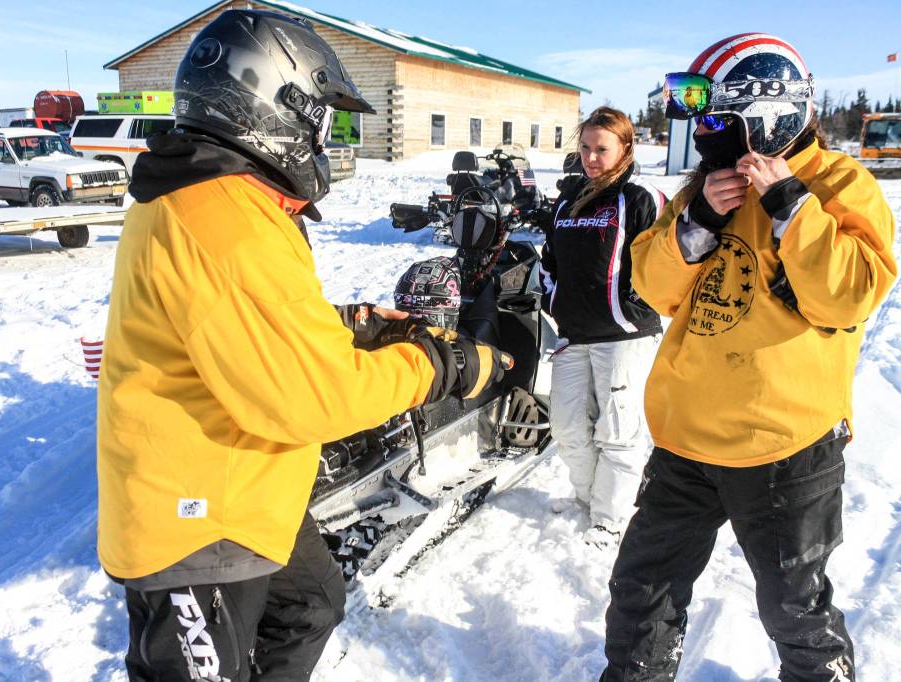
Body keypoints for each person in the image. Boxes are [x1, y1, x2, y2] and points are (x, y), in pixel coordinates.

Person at [95, 10, 509, 682]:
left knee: (311, 604)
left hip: (251, 489)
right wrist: (439, 364)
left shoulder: (211, 193)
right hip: (199, 516)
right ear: (276, 103)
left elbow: (233, 318)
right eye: (320, 115)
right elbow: (314, 399)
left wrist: (349, 325)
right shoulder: (223, 215)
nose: (323, 133)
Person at [601, 34, 897, 681]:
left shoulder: (838, 183)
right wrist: (696, 221)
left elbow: (849, 293)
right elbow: (653, 287)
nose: (704, 135)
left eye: (717, 121)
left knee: (795, 611)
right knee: (641, 593)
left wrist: (791, 205)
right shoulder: (707, 185)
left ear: (768, 117)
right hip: (687, 442)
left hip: (784, 449)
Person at [538, 106, 665, 545]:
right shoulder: (568, 199)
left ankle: (609, 519)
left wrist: (631, 305)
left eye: (603, 149)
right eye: (587, 147)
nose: (593, 157)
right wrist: (555, 299)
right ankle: (587, 499)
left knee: (617, 431)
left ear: (626, 149)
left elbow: (664, 263)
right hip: (574, 333)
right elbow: (550, 260)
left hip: (623, 335)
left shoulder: (642, 196)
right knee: (569, 426)